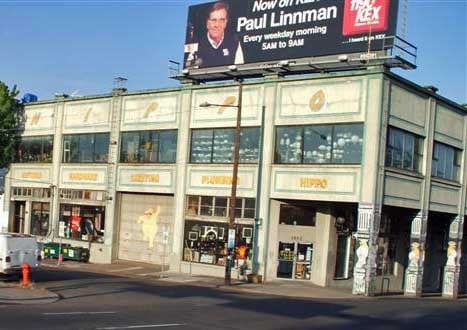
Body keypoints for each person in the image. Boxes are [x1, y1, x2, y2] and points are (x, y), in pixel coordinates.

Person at [187, 2, 244, 68]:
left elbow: (240, 67)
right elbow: (190, 68)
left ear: (226, 22)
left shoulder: (234, 42)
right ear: (207, 23)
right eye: (214, 20)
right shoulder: (197, 45)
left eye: (222, 20)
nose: (217, 25)